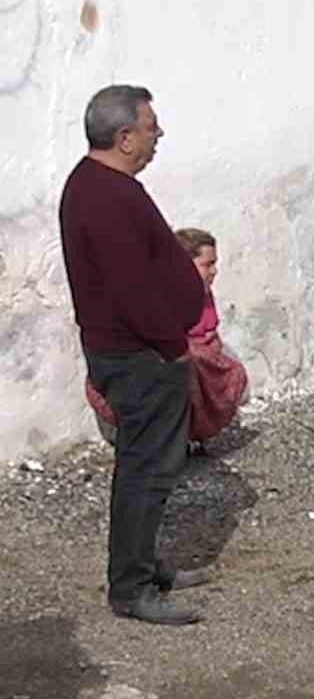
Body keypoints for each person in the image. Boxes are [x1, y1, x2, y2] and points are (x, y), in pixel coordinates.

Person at [60, 84, 209, 626]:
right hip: (139, 355)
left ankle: (144, 564)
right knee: (146, 468)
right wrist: (172, 347)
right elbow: (130, 290)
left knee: (152, 465)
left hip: (139, 350)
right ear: (124, 137)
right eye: (150, 126)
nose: (158, 134)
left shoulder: (104, 186)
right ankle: (132, 587)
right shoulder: (104, 196)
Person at [84, 227, 250, 452]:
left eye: (214, 263)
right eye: (207, 264)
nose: (215, 271)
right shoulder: (161, 296)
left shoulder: (203, 294)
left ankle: (190, 434)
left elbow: (209, 334)